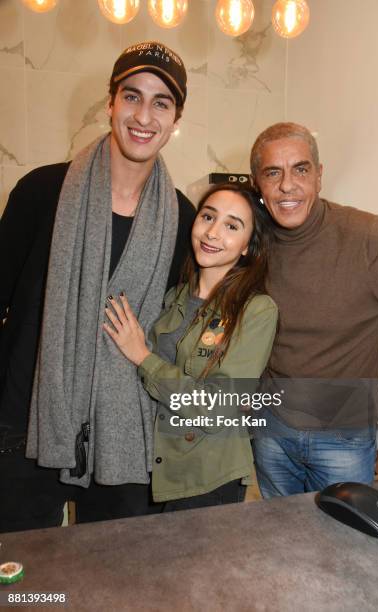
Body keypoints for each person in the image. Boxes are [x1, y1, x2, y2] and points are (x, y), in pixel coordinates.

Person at [0, 41, 196, 533]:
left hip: (126, 434)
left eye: (161, 102)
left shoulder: (184, 221)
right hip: (29, 424)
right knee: (25, 586)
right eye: (131, 96)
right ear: (110, 103)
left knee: (121, 584)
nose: (143, 116)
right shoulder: (41, 192)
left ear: (175, 121)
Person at [250, 122, 378, 497]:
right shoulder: (250, 240)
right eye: (273, 173)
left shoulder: (370, 239)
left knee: (343, 546)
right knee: (279, 539)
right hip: (272, 431)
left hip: (344, 439)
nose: (288, 185)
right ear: (257, 182)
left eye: (300, 169)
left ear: (319, 176)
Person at [103, 184, 278, 510]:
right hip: (155, 465)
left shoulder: (256, 310)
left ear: (246, 247)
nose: (213, 232)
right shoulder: (174, 297)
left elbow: (218, 408)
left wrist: (143, 357)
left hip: (206, 475)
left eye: (231, 226)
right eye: (208, 217)